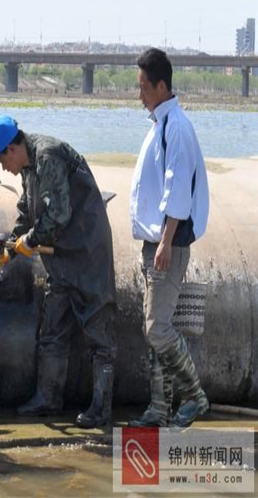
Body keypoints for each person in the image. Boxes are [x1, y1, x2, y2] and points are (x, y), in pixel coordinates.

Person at [0, 115, 117, 429]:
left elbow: (59, 213)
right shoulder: (29, 168)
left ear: (12, 149)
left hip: (86, 253)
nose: (3, 168)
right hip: (60, 259)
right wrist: (11, 244)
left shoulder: (48, 156)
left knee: (99, 334)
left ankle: (101, 409)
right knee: (52, 330)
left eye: (2, 160)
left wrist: (29, 241)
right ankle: (48, 398)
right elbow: (27, 210)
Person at [129, 48, 210, 428]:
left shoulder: (175, 126)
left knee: (157, 329)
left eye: (144, 86)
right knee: (153, 327)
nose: (140, 93)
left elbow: (176, 190)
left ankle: (194, 395)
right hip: (157, 242)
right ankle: (159, 409)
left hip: (169, 243)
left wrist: (164, 241)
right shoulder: (161, 123)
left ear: (162, 86)